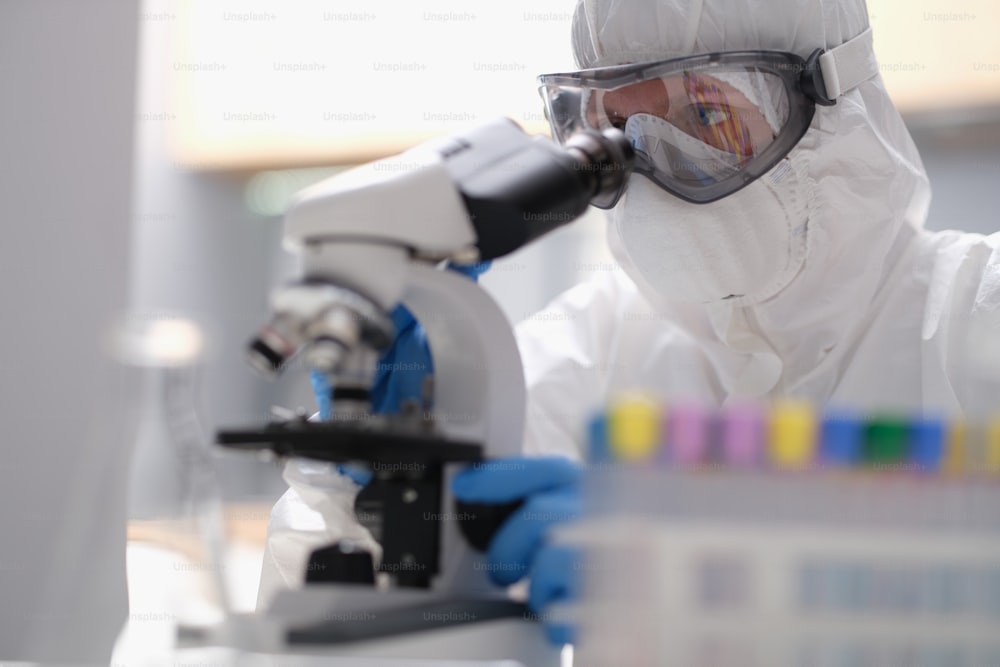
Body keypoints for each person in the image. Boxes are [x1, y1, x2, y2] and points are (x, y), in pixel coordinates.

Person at [258, 0, 1000, 645]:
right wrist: (386, 478)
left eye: (705, 117)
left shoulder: (979, 315)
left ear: (833, 106)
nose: (654, 166)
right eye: (618, 130)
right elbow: (338, 626)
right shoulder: (602, 344)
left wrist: (733, 598)